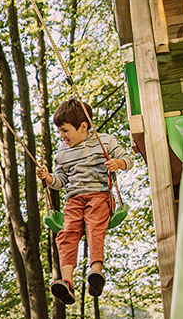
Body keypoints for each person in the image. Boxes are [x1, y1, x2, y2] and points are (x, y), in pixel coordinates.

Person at [39, 99, 133, 305]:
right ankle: (66, 282)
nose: (62, 136)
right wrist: (48, 178)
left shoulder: (104, 141)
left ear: (83, 127)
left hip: (99, 195)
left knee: (94, 226)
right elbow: (61, 181)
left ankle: (96, 272)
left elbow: (128, 159)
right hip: (73, 200)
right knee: (66, 233)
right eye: (60, 132)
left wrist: (118, 163)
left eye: (65, 131)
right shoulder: (62, 153)